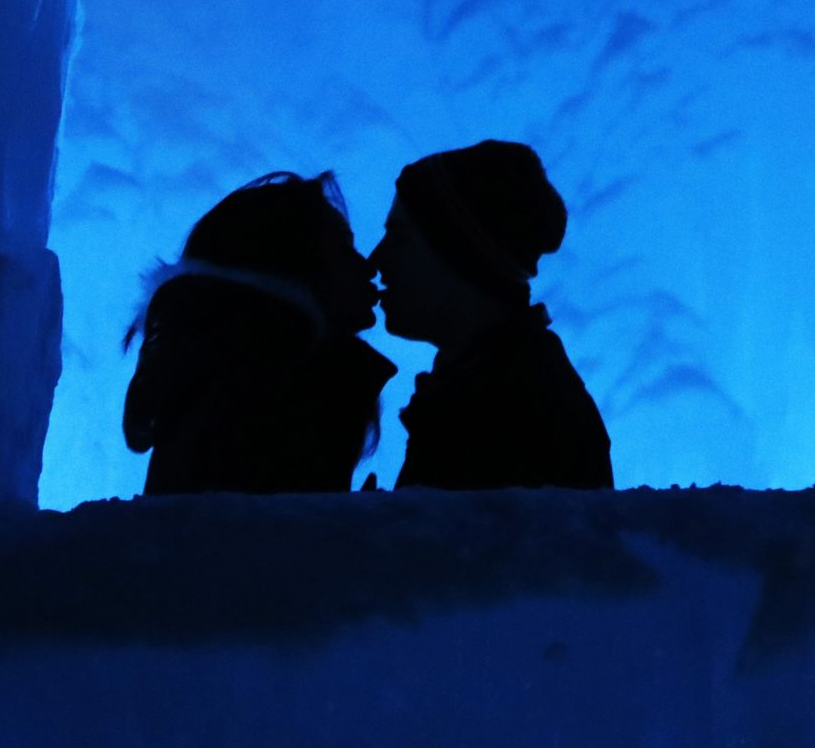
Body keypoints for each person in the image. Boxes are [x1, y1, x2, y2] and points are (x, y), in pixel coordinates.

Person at [122, 172, 397, 495]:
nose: (368, 267)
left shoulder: (222, 368)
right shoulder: (290, 385)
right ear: (291, 265)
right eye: (343, 249)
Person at [372, 141, 613, 490]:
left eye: (399, 239)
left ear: (457, 256)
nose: (377, 260)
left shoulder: (512, 414)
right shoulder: (494, 392)